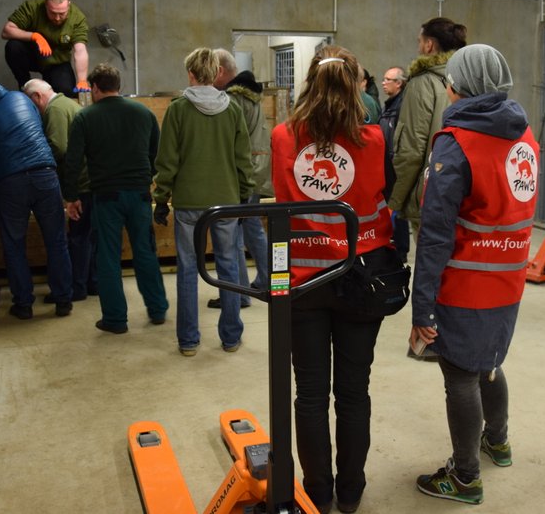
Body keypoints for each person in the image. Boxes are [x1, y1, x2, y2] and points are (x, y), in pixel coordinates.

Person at [409, 44, 539, 504]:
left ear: (455, 87)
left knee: (460, 375)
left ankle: (464, 477)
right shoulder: (525, 137)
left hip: (464, 283)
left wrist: (421, 303)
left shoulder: (456, 142)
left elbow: (436, 233)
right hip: (508, 279)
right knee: (489, 363)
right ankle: (497, 441)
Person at [271, 45, 396, 514]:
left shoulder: (284, 137)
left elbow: (280, 196)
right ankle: (351, 491)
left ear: (308, 82)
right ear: (357, 86)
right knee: (353, 391)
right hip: (360, 276)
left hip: (302, 280)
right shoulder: (374, 139)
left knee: (308, 393)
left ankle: (317, 492)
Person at [152, 47, 254, 356]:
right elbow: (243, 159)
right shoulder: (233, 109)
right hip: (226, 201)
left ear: (191, 74)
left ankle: (189, 340)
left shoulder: (178, 109)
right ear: (214, 74)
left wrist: (161, 198)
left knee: (187, 268)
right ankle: (231, 336)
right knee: (228, 265)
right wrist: (244, 191)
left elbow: (167, 160)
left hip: (188, 204)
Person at [63, 64, 169, 334]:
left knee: (107, 257)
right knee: (145, 252)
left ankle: (115, 319)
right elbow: (156, 156)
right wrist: (143, 177)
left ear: (95, 87)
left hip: (105, 197)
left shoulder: (85, 118)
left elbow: (72, 161)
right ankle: (157, 309)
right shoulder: (144, 113)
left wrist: (71, 198)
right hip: (140, 195)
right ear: (118, 85)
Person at [0, 77, 73, 319]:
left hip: (10, 182)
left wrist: (1, 174)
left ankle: (23, 305)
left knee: (14, 245)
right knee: (56, 241)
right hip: (46, 173)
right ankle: (63, 300)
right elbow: (38, 131)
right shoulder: (21, 98)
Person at [389, 17, 467, 235]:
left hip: (432, 193)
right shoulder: (471, 79)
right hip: (466, 191)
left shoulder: (423, 83)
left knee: (431, 261)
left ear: (429, 45)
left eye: (419, 41)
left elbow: (412, 148)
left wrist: (393, 201)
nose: (419, 46)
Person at [207, 48, 272, 310]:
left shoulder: (231, 100)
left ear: (220, 71)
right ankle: (266, 280)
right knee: (251, 227)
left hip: (240, 174)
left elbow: (230, 142)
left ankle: (239, 293)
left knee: (231, 234)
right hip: (256, 170)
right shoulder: (251, 96)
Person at [22, 78, 97, 300]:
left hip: (80, 182)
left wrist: (36, 165)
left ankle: (77, 287)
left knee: (78, 236)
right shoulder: (69, 104)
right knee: (89, 236)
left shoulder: (54, 110)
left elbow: (59, 147)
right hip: (90, 179)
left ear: (37, 97)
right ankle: (92, 283)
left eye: (32, 104)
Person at [2, 0, 89, 96]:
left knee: (66, 93)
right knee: (13, 46)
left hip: (57, 61)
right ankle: (24, 85)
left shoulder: (77, 18)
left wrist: (82, 80)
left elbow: (80, 50)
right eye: (52, 13)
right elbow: (7, 31)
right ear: (45, 5)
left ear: (68, 6)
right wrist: (34, 36)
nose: (57, 18)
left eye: (62, 14)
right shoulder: (32, 7)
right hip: (33, 55)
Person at [380, 66, 411, 263]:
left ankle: (400, 251)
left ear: (399, 83)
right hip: (386, 168)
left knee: (398, 212)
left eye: (388, 79)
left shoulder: (401, 107)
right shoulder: (389, 105)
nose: (384, 83)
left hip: (396, 169)